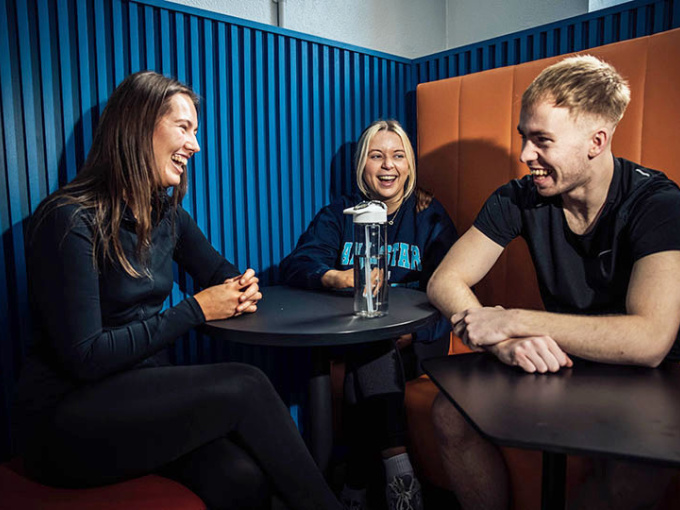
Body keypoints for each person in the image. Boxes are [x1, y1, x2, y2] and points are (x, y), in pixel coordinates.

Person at [11, 70, 341, 510]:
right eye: (183, 128)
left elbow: (221, 274)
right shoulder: (69, 219)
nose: (195, 146)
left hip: (140, 397)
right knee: (246, 384)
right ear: (138, 126)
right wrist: (197, 310)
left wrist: (242, 287)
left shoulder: (167, 216)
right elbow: (85, 356)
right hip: (65, 420)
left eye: (196, 132)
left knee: (242, 479)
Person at [427, 55, 680, 510]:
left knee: (631, 471)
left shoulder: (658, 203)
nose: (525, 155)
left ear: (596, 141)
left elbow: (651, 339)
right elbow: (446, 280)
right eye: (525, 137)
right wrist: (500, 344)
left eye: (542, 140)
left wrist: (513, 322)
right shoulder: (520, 197)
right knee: (449, 414)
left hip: (655, 380)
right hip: (565, 366)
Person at [280, 119, 459, 510]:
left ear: (410, 166)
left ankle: (356, 482)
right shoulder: (340, 215)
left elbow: (454, 283)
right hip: (358, 338)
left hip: (418, 346)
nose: (387, 166)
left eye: (397, 156)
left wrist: (415, 331)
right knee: (368, 337)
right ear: (362, 166)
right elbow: (298, 263)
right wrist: (334, 278)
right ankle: (400, 476)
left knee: (368, 347)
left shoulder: (428, 215)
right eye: (376, 156)